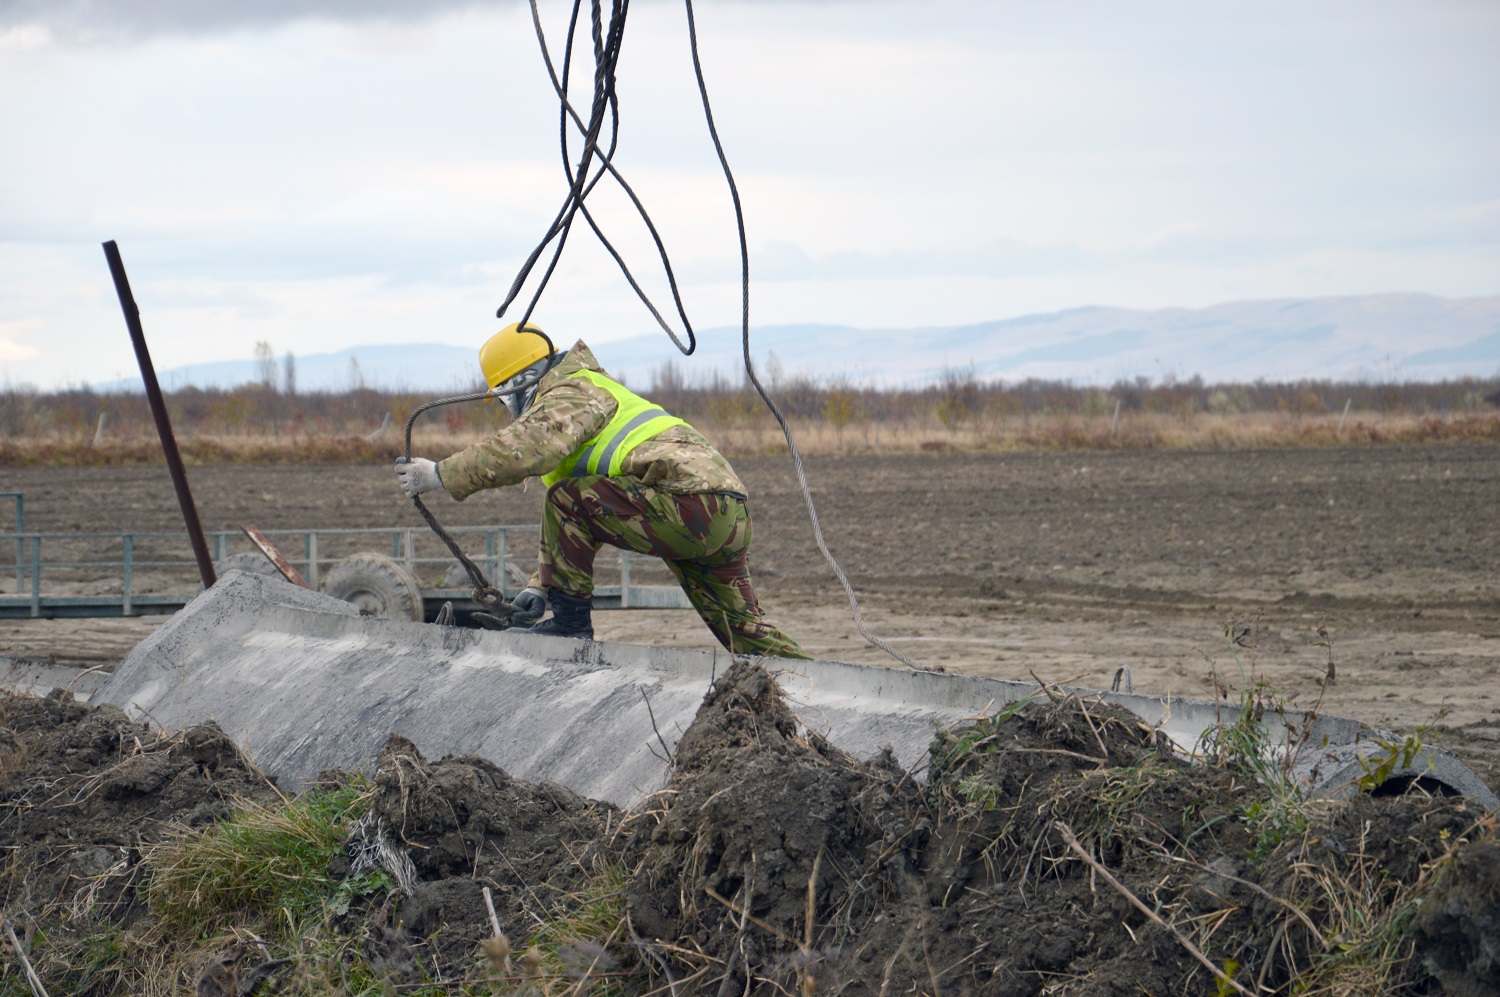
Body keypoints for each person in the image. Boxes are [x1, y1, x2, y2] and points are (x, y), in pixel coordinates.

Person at [395, 322, 809, 659]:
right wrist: (541, 586)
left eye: (503, 399)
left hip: (689, 505)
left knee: (566, 501)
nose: (506, 412)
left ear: (520, 383)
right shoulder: (585, 396)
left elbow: (521, 452)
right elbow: (582, 513)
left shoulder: (571, 392)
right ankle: (826, 692)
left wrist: (440, 474)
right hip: (722, 512)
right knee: (745, 633)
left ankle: (571, 628)